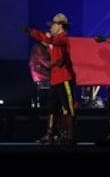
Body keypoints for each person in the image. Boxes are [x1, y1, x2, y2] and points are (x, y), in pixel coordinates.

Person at [23, 13, 76, 145]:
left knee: (67, 108)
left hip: (64, 78)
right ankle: (50, 134)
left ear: (60, 26)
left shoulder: (63, 39)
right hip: (55, 79)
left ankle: (68, 135)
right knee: (52, 108)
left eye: (53, 25)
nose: (51, 27)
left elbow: (50, 41)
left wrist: (33, 32)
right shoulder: (55, 40)